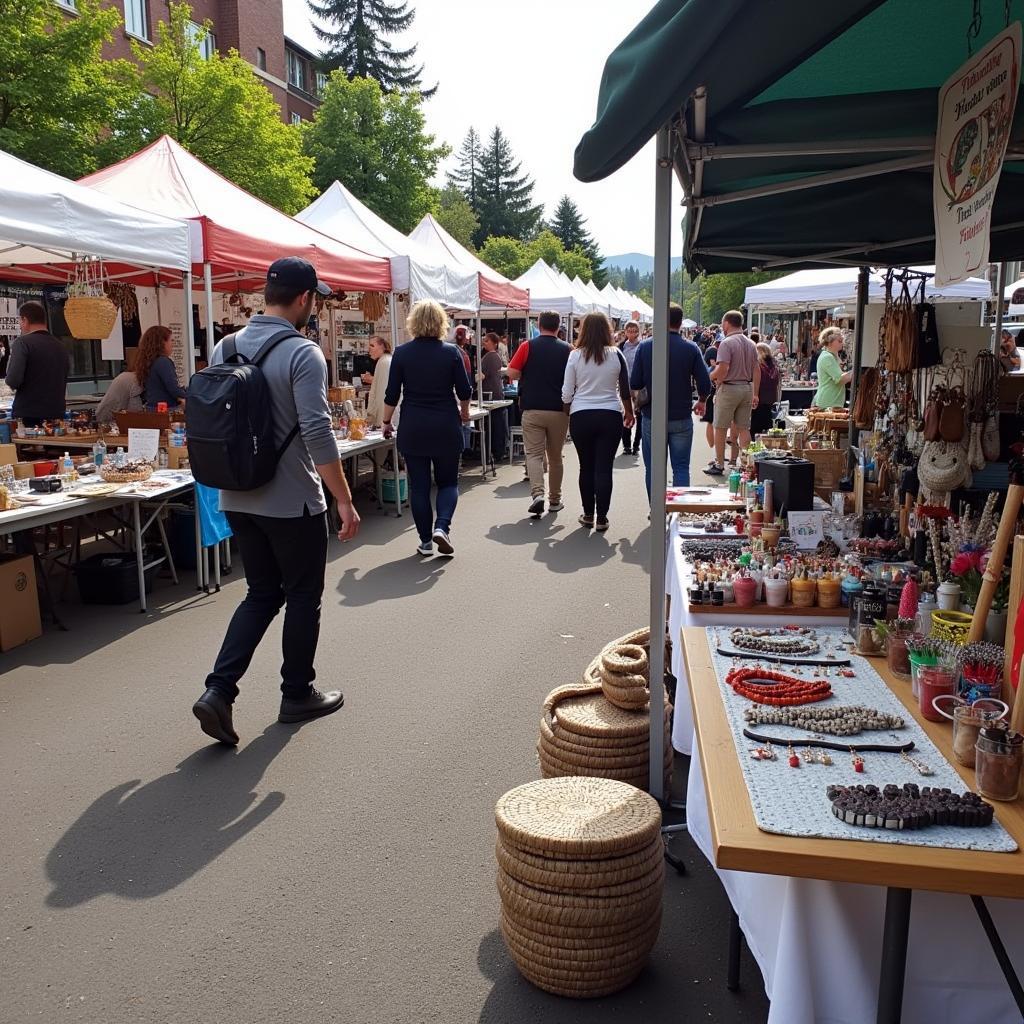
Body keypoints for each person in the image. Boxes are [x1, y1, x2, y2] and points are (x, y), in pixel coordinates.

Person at [192, 257, 360, 747]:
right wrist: (344, 500)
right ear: (306, 299)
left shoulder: (226, 345)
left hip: (236, 493)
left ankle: (218, 690)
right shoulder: (303, 353)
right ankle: (296, 693)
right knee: (303, 595)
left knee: (261, 593)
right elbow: (315, 430)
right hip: (290, 500)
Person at [383, 300, 471, 557]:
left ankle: (424, 541)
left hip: (414, 425)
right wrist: (464, 412)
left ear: (413, 322)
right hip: (445, 423)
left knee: (419, 487)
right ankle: (442, 527)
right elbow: (464, 391)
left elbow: (391, 395)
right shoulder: (452, 353)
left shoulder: (401, 353)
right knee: (447, 483)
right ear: (442, 323)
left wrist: (386, 422)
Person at [630, 304, 711, 498]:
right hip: (681, 416)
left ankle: (656, 511)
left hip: (652, 415)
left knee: (653, 468)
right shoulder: (690, 348)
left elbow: (635, 382)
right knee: (681, 467)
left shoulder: (645, 346)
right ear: (681, 322)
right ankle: (678, 511)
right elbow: (705, 382)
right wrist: (701, 400)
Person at [562, 313, 634, 531]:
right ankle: (602, 517)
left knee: (586, 467)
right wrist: (629, 413)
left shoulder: (575, 356)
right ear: (607, 330)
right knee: (604, 467)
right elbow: (624, 389)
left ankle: (588, 514)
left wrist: (569, 412)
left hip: (581, 415)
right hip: (610, 414)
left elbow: (567, 391)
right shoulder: (616, 354)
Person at [507, 310, 571, 517]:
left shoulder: (527, 346)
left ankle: (537, 494)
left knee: (533, 454)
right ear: (558, 325)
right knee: (555, 457)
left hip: (532, 408)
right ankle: (555, 499)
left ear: (539, 324)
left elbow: (512, 372)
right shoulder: (569, 349)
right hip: (559, 410)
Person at [706, 310, 759, 476]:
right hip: (747, 387)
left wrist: (711, 376)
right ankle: (747, 465)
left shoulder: (727, 343)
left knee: (720, 427)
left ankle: (719, 463)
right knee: (744, 428)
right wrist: (755, 392)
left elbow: (723, 368)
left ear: (727, 323)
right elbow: (756, 370)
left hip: (729, 387)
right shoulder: (751, 343)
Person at [6, 301, 69, 425]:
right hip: (57, 413)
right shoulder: (61, 346)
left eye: (20, 321)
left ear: (25, 319)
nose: (20, 325)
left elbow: (13, 380)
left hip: (28, 414)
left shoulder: (23, 343)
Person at [136, 325, 187, 411]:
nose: (173, 344)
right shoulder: (163, 362)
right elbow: (173, 389)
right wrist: (192, 397)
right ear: (162, 342)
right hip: (167, 410)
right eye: (171, 340)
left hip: (152, 409)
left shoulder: (147, 362)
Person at [481, 331, 508, 460]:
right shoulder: (493, 356)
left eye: (487, 341)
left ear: (494, 343)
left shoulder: (490, 357)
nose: (484, 342)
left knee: (494, 425)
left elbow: (482, 375)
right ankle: (499, 451)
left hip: (491, 395)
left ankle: (496, 451)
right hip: (496, 393)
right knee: (497, 423)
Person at [812, 326, 853, 409]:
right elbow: (840, 379)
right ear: (830, 342)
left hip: (831, 401)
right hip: (828, 402)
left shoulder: (832, 356)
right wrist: (856, 371)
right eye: (839, 341)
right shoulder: (827, 357)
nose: (842, 343)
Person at [618, 320, 643, 455]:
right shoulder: (621, 346)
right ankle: (626, 444)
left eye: (634, 331)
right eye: (629, 330)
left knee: (640, 415)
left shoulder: (642, 346)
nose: (632, 333)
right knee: (627, 413)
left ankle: (636, 444)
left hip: (639, 386)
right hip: (625, 385)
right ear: (625, 331)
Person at [361, 335, 393, 428]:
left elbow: (382, 395)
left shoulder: (384, 362)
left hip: (384, 419)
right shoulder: (386, 360)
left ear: (382, 346)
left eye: (372, 346)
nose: (369, 350)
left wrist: (376, 419)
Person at [751, 342, 781, 436]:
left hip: (759, 398)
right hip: (770, 399)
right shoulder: (773, 365)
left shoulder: (759, 366)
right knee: (767, 426)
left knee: (755, 428)